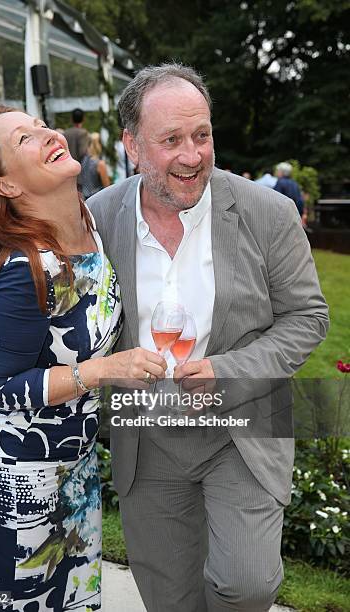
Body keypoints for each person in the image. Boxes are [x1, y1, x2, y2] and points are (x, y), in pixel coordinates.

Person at [87, 63, 329, 612]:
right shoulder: (97, 219)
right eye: (170, 140)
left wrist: (228, 370)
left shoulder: (269, 212)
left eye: (201, 135)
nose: (192, 155)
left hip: (241, 426)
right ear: (132, 145)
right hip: (146, 433)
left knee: (246, 585)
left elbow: (307, 316)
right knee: (169, 598)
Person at [0, 105, 166, 611]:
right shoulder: (26, 267)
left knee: (74, 600)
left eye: (41, 125)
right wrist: (103, 369)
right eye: (24, 139)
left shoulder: (90, 224)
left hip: (72, 463)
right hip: (12, 468)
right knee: (3, 603)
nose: (46, 135)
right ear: (5, 187)